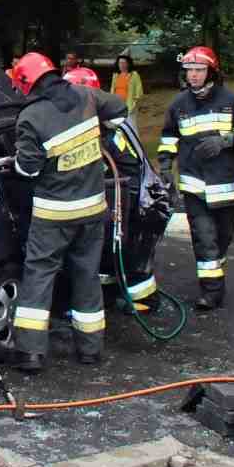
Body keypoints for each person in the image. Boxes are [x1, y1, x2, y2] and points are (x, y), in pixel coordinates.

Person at [10, 52, 127, 373]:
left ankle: (31, 353)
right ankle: (90, 349)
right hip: (92, 209)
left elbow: (27, 170)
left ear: (26, 83)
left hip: (53, 215)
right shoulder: (86, 95)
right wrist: (100, 134)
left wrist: (16, 160)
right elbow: (119, 111)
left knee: (39, 274)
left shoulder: (31, 117)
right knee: (86, 274)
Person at [158, 46, 234, 310]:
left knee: (221, 239)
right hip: (195, 186)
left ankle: (214, 273)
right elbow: (169, 138)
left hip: (226, 185)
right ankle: (211, 292)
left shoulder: (232, 101)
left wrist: (226, 141)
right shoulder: (179, 105)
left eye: (199, 70)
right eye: (189, 71)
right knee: (204, 239)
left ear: (211, 71)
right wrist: (166, 167)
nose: (194, 76)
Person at [66, 67, 162, 314]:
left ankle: (145, 300)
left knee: (128, 253)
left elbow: (123, 166)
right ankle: (107, 295)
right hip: (121, 196)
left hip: (131, 197)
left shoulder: (110, 130)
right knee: (107, 253)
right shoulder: (102, 122)